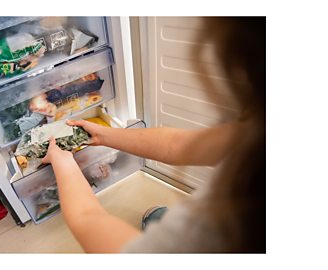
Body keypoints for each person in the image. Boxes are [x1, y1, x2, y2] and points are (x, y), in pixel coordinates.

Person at [41, 17, 265, 253]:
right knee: (163, 220)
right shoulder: (258, 130)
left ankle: (162, 228)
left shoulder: (217, 236)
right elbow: (177, 145)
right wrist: (106, 135)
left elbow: (88, 219)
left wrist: (63, 161)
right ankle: (160, 221)